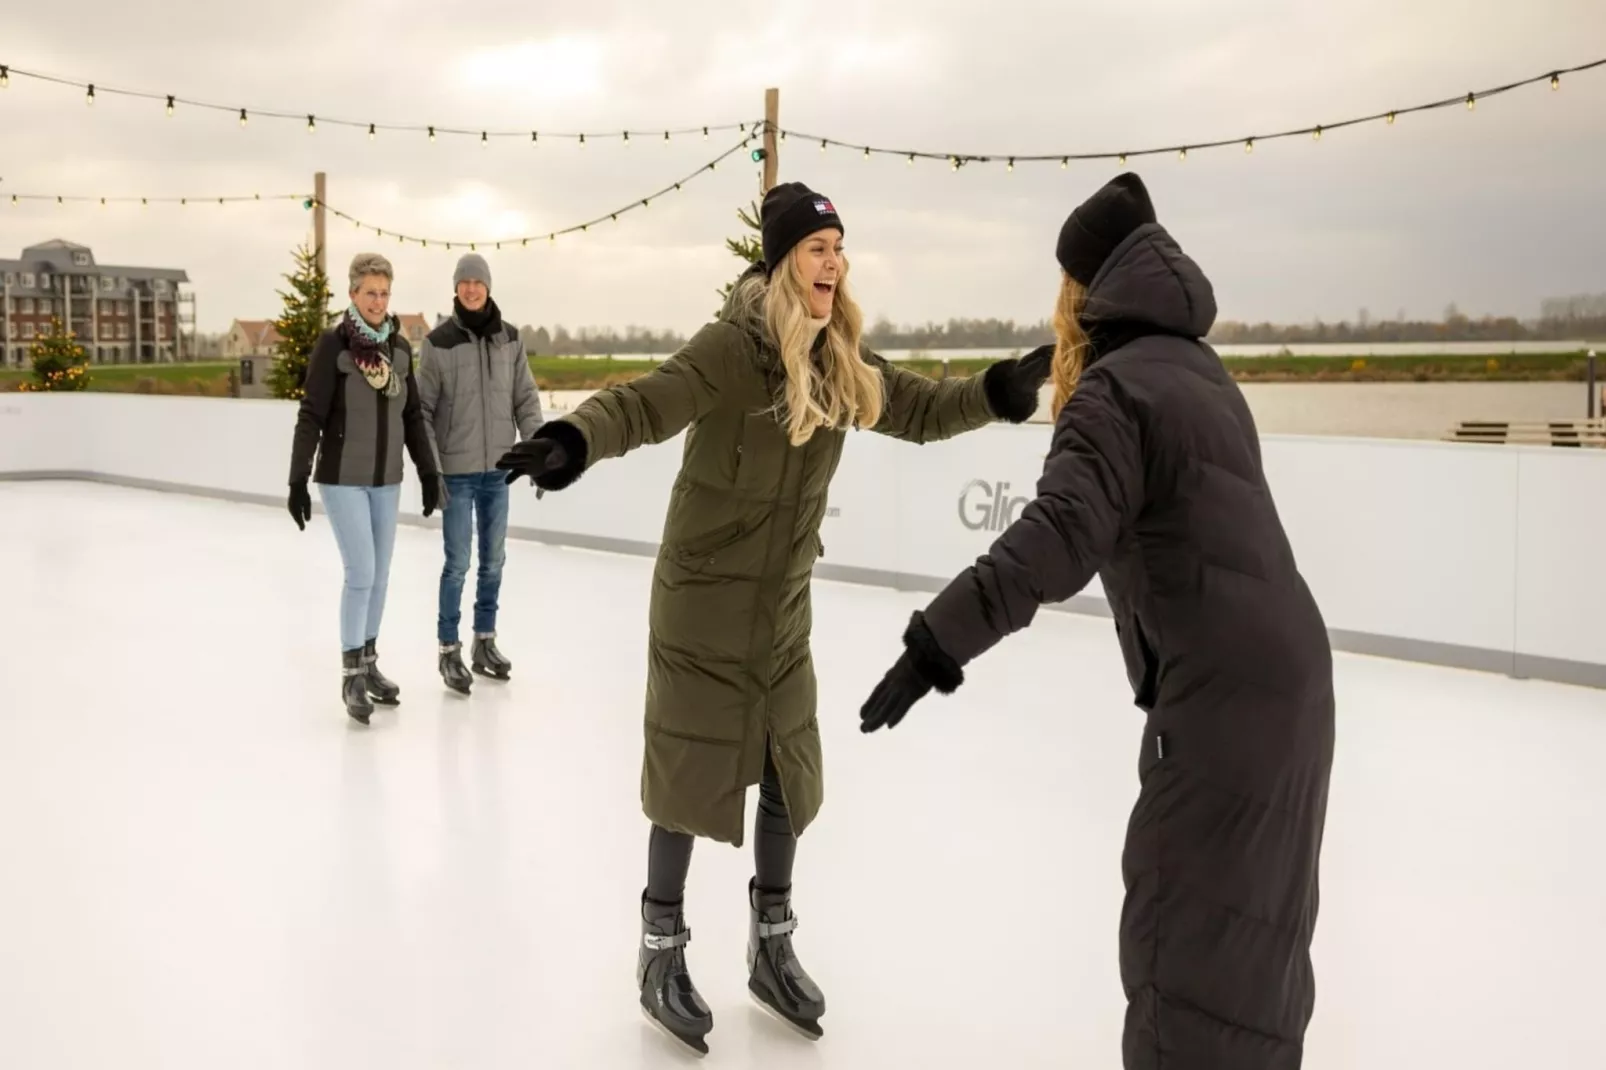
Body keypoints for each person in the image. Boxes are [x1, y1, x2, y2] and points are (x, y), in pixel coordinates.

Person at [495, 181, 1053, 1054]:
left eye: (841, 249)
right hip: (701, 605)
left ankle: (771, 945)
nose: (835, 263)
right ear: (786, 260)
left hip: (781, 609)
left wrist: (996, 389)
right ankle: (660, 951)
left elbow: (917, 408)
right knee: (685, 782)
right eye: (819, 249)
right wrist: (573, 440)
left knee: (790, 774)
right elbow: (647, 401)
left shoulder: (837, 360)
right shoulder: (732, 346)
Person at [857, 172, 1336, 1070]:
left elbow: (1060, 534)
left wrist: (936, 643)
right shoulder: (1202, 371)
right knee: (1253, 956)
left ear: (1084, 289)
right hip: (1294, 693)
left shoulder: (1116, 392)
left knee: (1181, 950)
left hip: (1220, 703)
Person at [287, 252, 444, 725]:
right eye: (369, 292)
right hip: (342, 478)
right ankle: (351, 672)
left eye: (384, 293)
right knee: (361, 572)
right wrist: (297, 477)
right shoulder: (333, 346)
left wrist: (429, 472)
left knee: (380, 574)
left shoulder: (398, 349)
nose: (378, 301)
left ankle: (370, 661)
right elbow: (311, 414)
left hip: (386, 481)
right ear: (353, 294)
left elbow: (413, 415)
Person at [416, 253, 544, 694]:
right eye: (464, 282)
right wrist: (432, 471)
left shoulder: (509, 339)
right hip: (456, 473)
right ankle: (448, 649)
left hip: (499, 471)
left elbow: (525, 399)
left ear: (488, 287)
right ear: (456, 288)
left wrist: (537, 452)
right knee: (458, 563)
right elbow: (423, 412)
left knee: (493, 562)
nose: (471, 289)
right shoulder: (437, 343)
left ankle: (483, 642)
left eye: (478, 282)